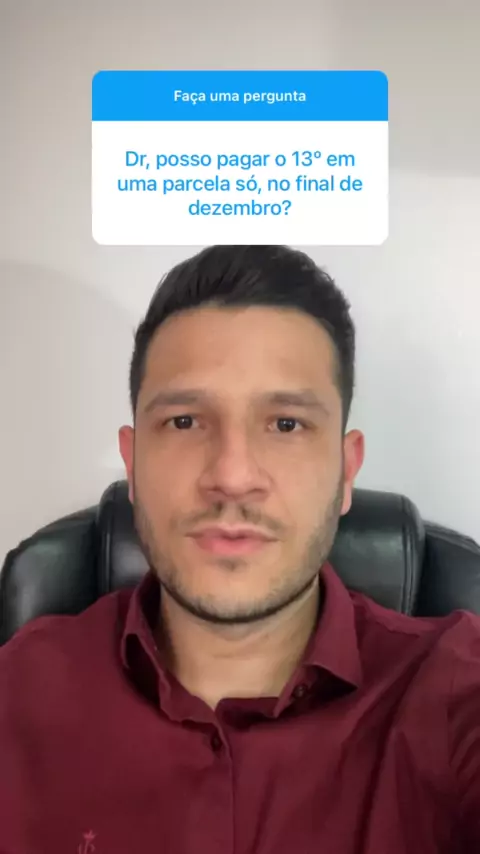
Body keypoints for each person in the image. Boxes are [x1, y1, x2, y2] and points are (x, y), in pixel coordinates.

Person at [0, 244, 479, 854]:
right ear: (132, 462)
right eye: (184, 421)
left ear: (345, 471)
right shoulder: (17, 693)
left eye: (285, 424)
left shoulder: (454, 693)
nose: (231, 476)